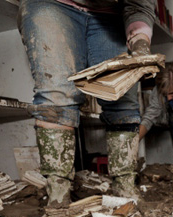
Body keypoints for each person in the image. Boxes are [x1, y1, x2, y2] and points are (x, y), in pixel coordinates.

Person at [18, 0, 154, 206]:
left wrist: (140, 41)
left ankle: (125, 186)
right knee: (56, 96)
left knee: (123, 97)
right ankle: (58, 194)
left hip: (110, 16)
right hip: (53, 3)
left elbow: (139, 4)